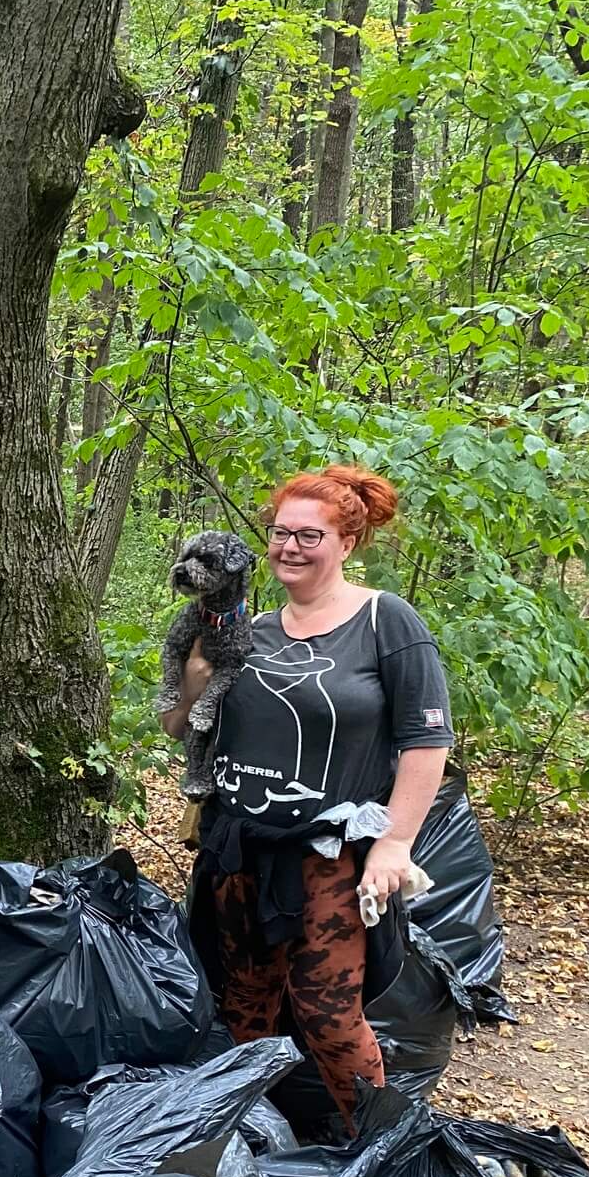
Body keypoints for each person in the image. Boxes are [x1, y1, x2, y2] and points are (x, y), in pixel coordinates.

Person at [167, 465, 452, 1137]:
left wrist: (395, 842)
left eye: (309, 535)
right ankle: (252, 1140)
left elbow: (425, 740)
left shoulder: (386, 621)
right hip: (239, 849)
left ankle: (385, 1147)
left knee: (328, 1014)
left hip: (330, 856)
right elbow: (182, 726)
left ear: (347, 542)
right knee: (243, 1003)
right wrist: (193, 681)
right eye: (279, 532)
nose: (289, 547)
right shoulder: (248, 629)